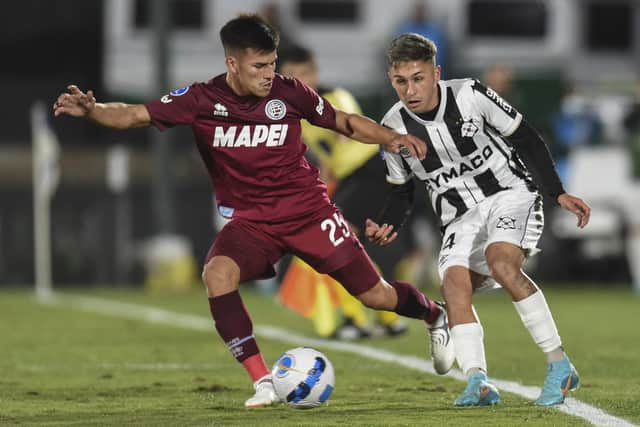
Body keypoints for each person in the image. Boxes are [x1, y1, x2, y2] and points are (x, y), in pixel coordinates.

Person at [52, 15, 455, 408]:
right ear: (232, 63)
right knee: (217, 274)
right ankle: (262, 381)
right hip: (253, 224)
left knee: (377, 296)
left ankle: (434, 315)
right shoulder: (201, 100)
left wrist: (392, 138)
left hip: (309, 214)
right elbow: (133, 114)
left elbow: (344, 122)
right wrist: (93, 110)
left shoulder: (290, 92)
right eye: (259, 66)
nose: (268, 74)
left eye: (272, 64)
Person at [366, 33, 591, 407]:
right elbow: (401, 190)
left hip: (510, 195)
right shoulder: (391, 128)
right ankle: (478, 382)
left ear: (435, 73)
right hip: (458, 218)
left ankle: (559, 364)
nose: (410, 89)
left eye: (418, 78)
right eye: (400, 81)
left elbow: (528, 139)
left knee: (501, 262)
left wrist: (557, 193)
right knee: (453, 286)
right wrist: (388, 222)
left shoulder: (470, 94)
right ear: (391, 79)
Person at [276, 44, 410, 339]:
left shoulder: (336, 98)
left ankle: (357, 320)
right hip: (353, 180)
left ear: (314, 74)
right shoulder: (296, 112)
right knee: (346, 249)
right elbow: (326, 162)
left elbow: (350, 133)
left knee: (333, 244)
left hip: (371, 172)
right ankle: (390, 317)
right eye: (289, 75)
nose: (297, 80)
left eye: (302, 74)